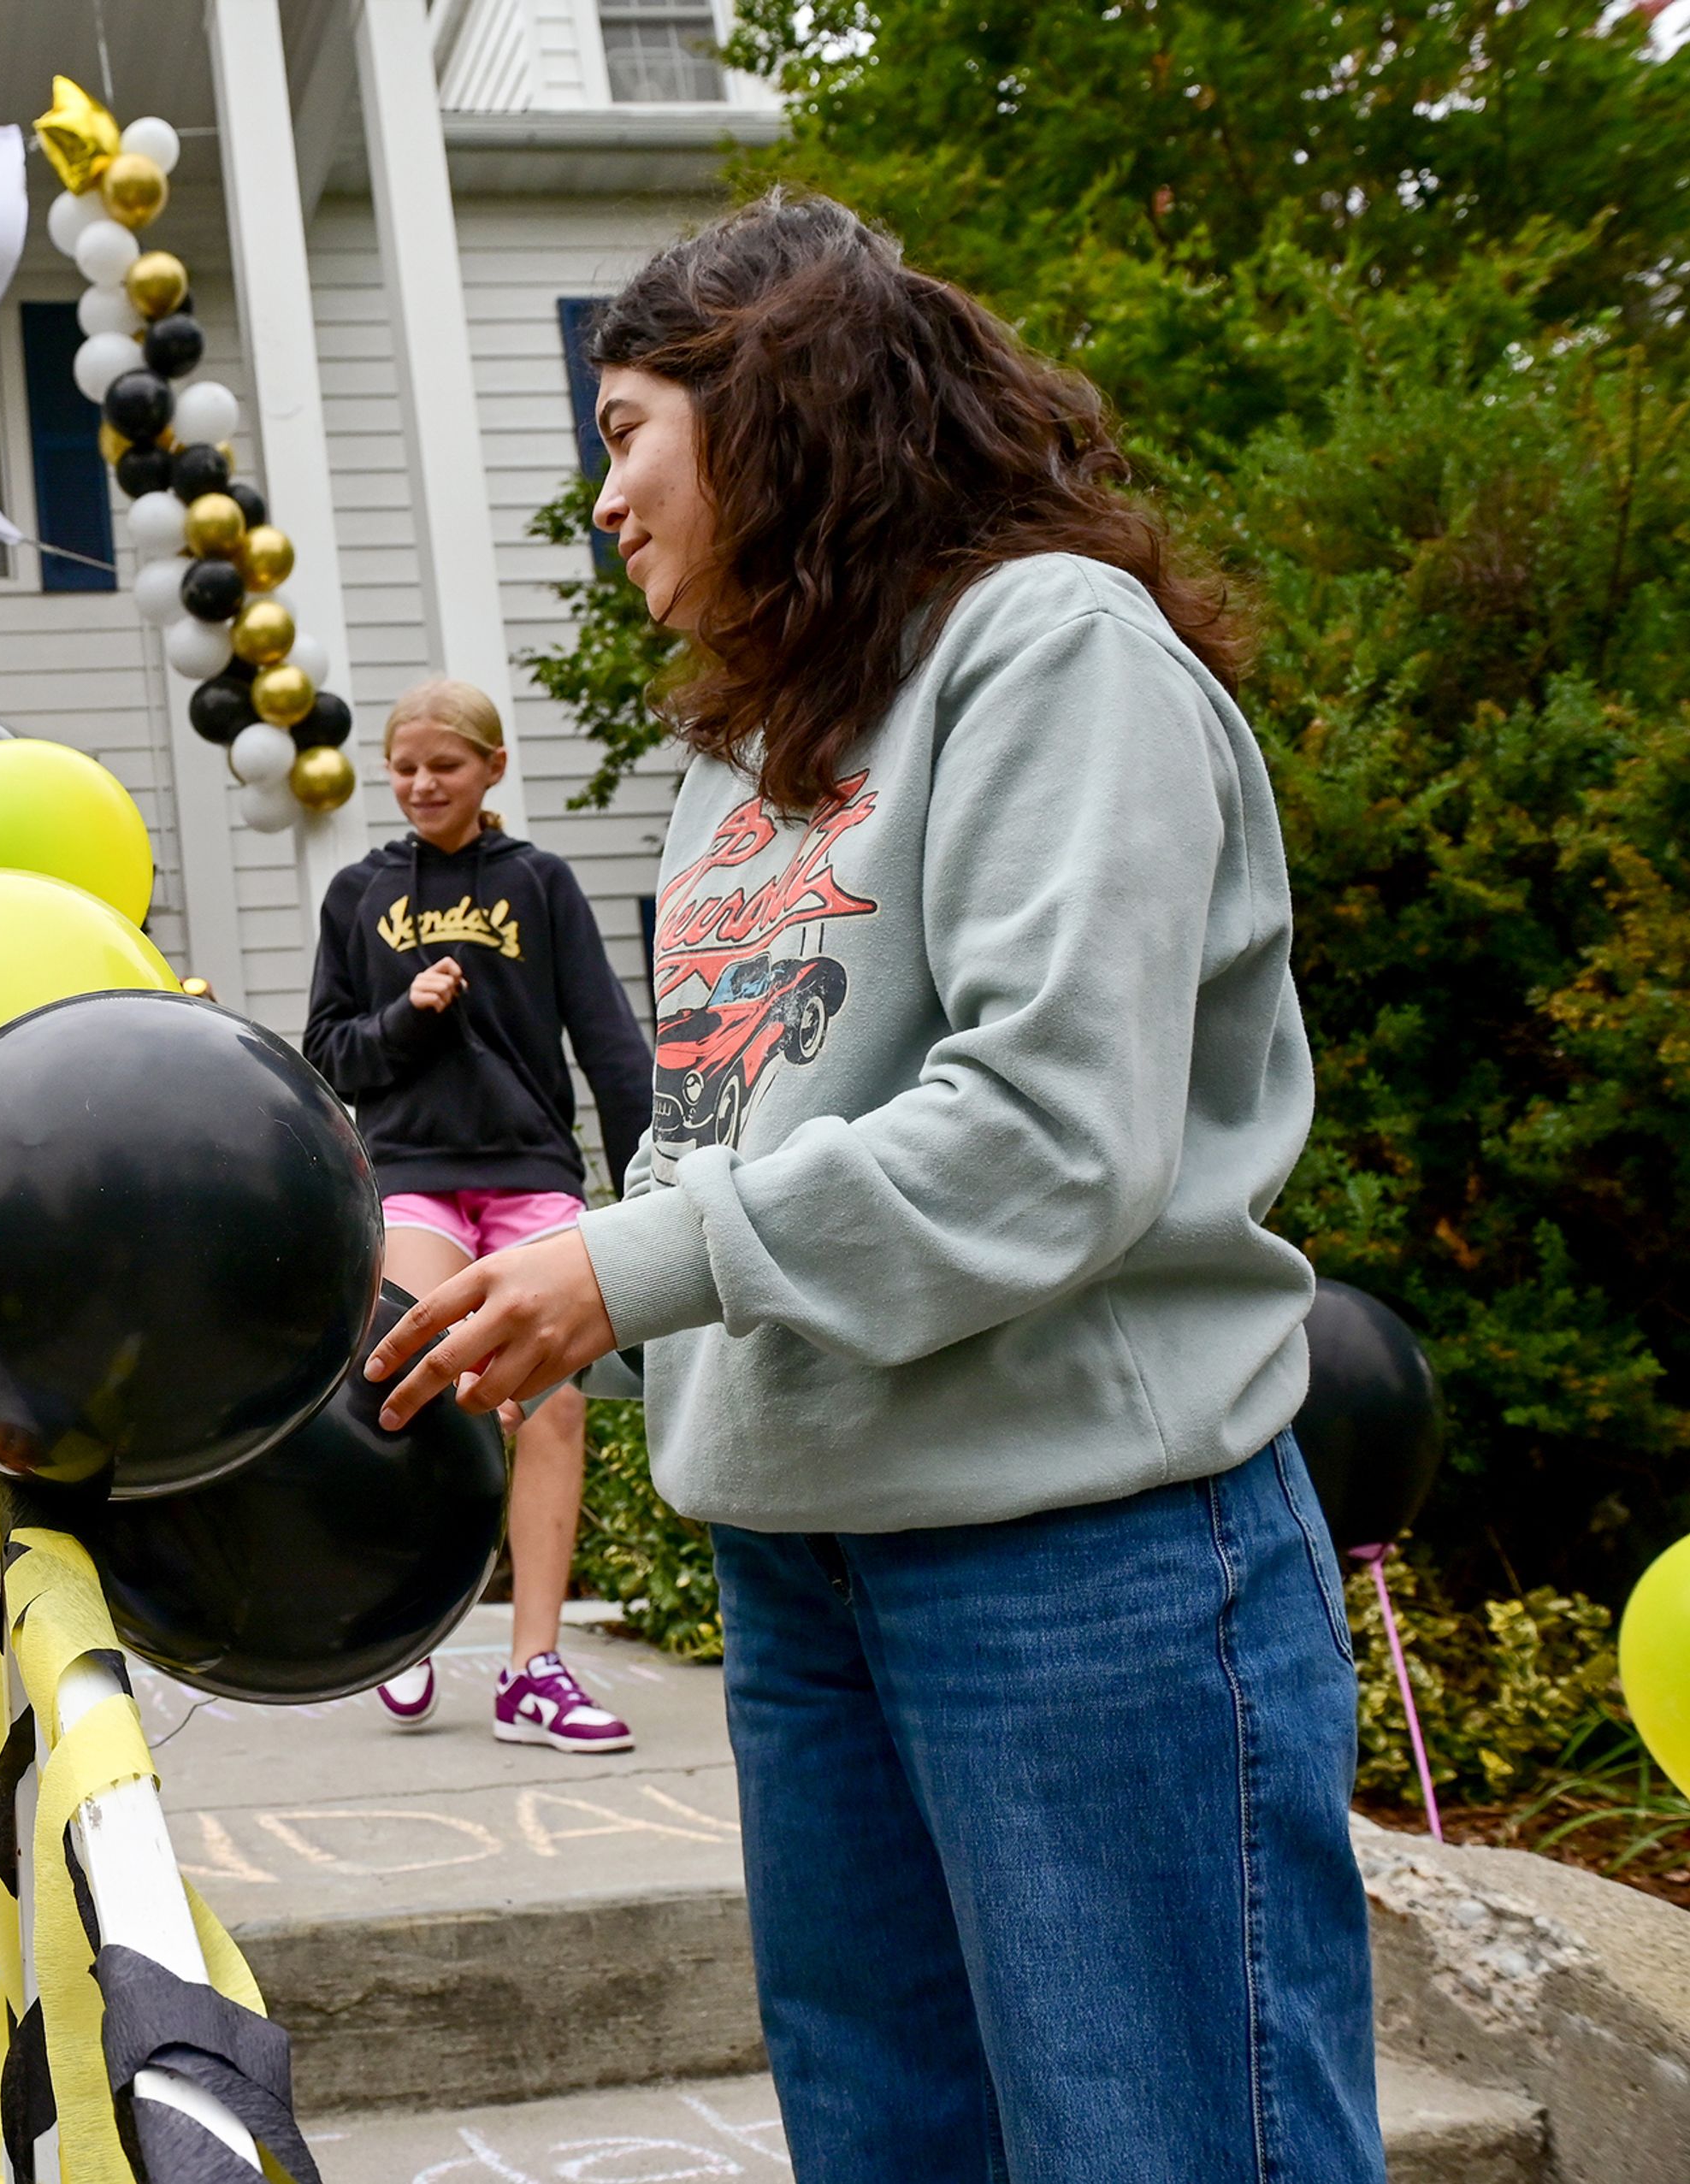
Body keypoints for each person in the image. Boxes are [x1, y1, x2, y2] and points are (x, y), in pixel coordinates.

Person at [364, 194, 1374, 2182]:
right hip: (798, 1555)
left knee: (1161, 2140)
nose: (604, 502)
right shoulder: (733, 761)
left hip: (1073, 1553)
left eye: (624, 429)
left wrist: (630, 1267)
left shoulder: (1050, 649)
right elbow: (708, 1121)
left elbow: (1047, 1123)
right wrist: (578, 1292)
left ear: (773, 406)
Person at [303, 678, 653, 1755]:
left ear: (493, 769)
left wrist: (650, 1175)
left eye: (442, 767)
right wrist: (405, 1019)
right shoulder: (359, 894)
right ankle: (404, 1635)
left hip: (527, 1165)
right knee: (417, 1373)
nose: (418, 785)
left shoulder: (540, 883)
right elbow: (328, 1054)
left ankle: (531, 1670)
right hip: (411, 1167)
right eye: (402, 767)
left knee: (549, 1404)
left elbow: (605, 1038)